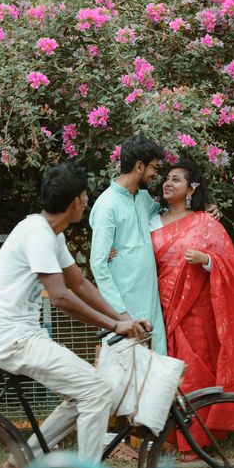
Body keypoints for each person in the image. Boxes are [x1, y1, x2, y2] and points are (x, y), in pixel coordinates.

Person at [0, 162, 150, 468]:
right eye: (85, 195)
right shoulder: (39, 234)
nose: (87, 201)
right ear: (75, 201)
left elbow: (80, 284)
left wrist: (122, 319)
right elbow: (60, 297)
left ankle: (25, 460)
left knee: (83, 391)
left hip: (21, 336)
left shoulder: (48, 233)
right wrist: (115, 325)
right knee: (98, 390)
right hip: (13, 340)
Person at [150, 159, 234, 453]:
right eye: (166, 178)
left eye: (176, 180)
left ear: (191, 189)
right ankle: (175, 438)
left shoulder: (206, 222)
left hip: (198, 315)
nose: (168, 183)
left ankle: (199, 440)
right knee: (172, 373)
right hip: (162, 309)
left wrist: (206, 261)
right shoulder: (150, 220)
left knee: (197, 374)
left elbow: (231, 267)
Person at [89, 135, 169, 354]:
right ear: (139, 166)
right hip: (125, 310)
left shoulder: (142, 199)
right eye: (153, 167)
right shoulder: (107, 205)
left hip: (150, 304)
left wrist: (206, 208)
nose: (155, 174)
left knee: (155, 375)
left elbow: (167, 214)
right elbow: (98, 264)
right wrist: (120, 313)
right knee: (125, 377)